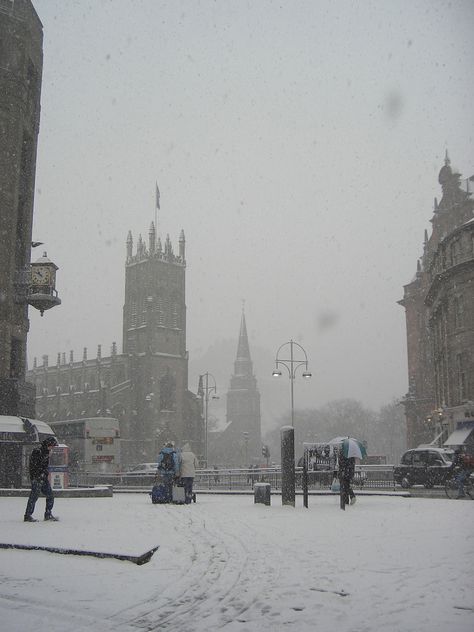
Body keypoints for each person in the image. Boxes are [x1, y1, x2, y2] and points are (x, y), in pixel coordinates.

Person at [24, 436, 59, 522]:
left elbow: (43, 466)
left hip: (42, 477)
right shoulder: (38, 451)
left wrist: (44, 473)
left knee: (50, 495)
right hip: (37, 477)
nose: (52, 448)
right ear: (49, 444)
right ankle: (28, 515)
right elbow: (34, 466)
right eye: (52, 446)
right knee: (34, 496)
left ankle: (48, 514)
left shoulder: (46, 452)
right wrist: (38, 475)